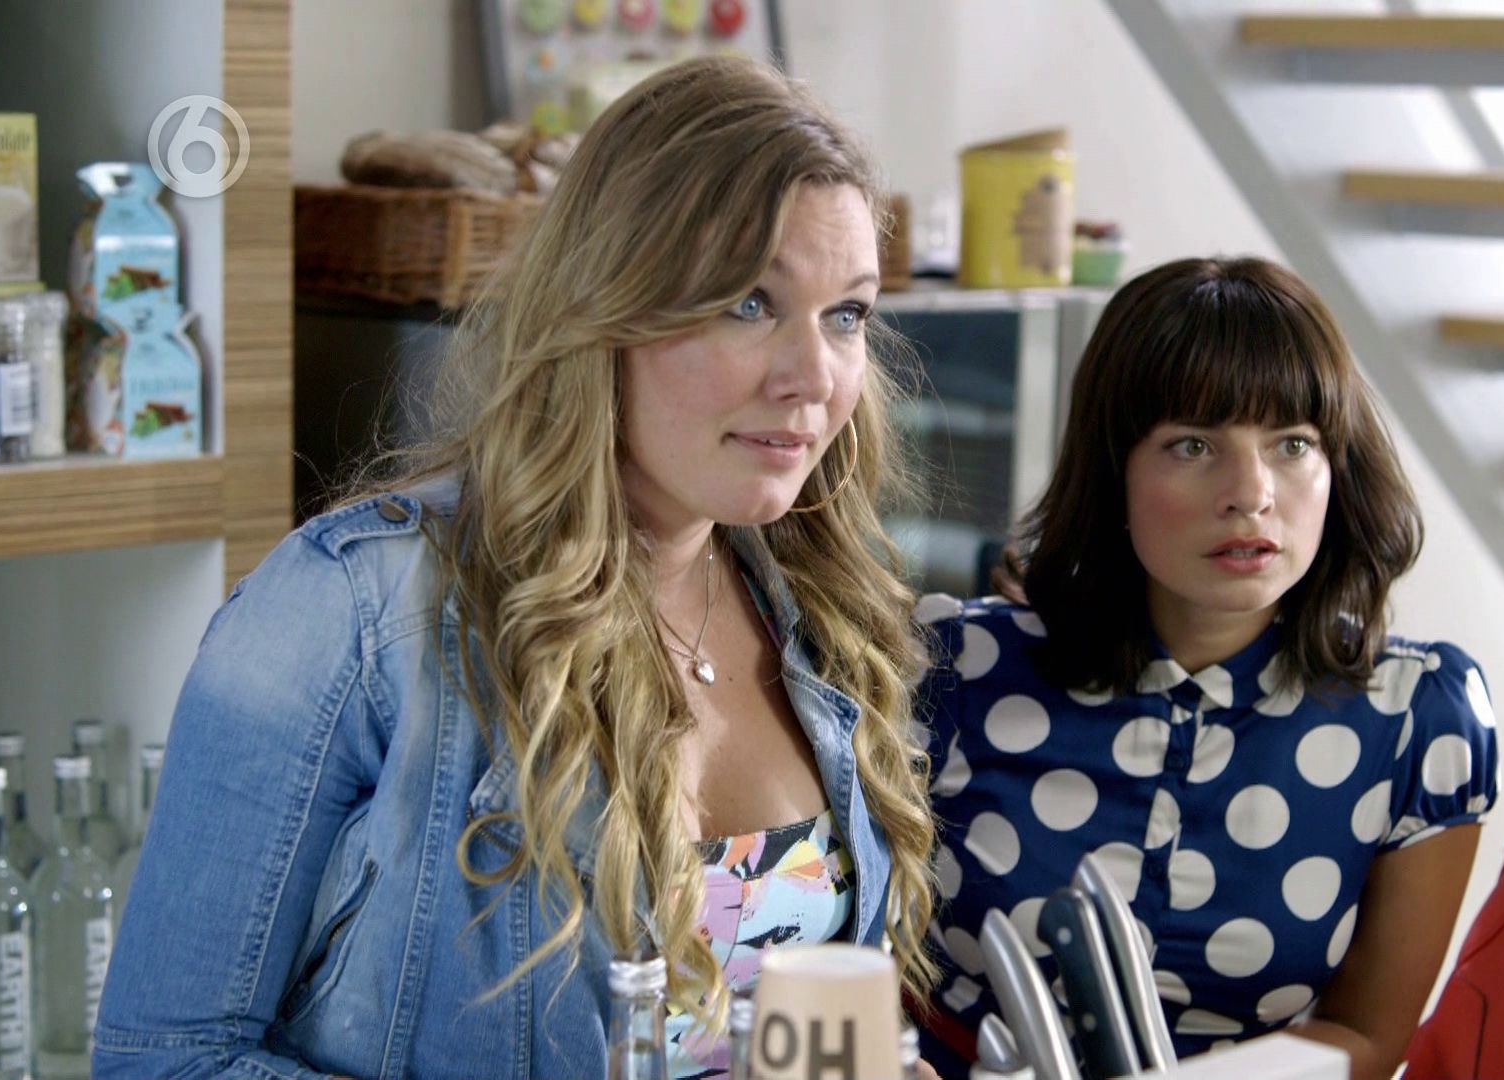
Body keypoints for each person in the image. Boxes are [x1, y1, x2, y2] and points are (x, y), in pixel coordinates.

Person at [95, 57, 940, 1080]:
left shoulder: (818, 606)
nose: (814, 377)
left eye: (847, 315)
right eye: (749, 304)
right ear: (607, 306)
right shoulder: (352, 607)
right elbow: (164, 1059)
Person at [914, 257, 1499, 1080]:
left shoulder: (1421, 717)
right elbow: (855, 958)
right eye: (1192, 445)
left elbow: (1366, 1040)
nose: (1251, 493)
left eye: (1292, 444)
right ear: (1113, 471)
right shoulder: (952, 668)